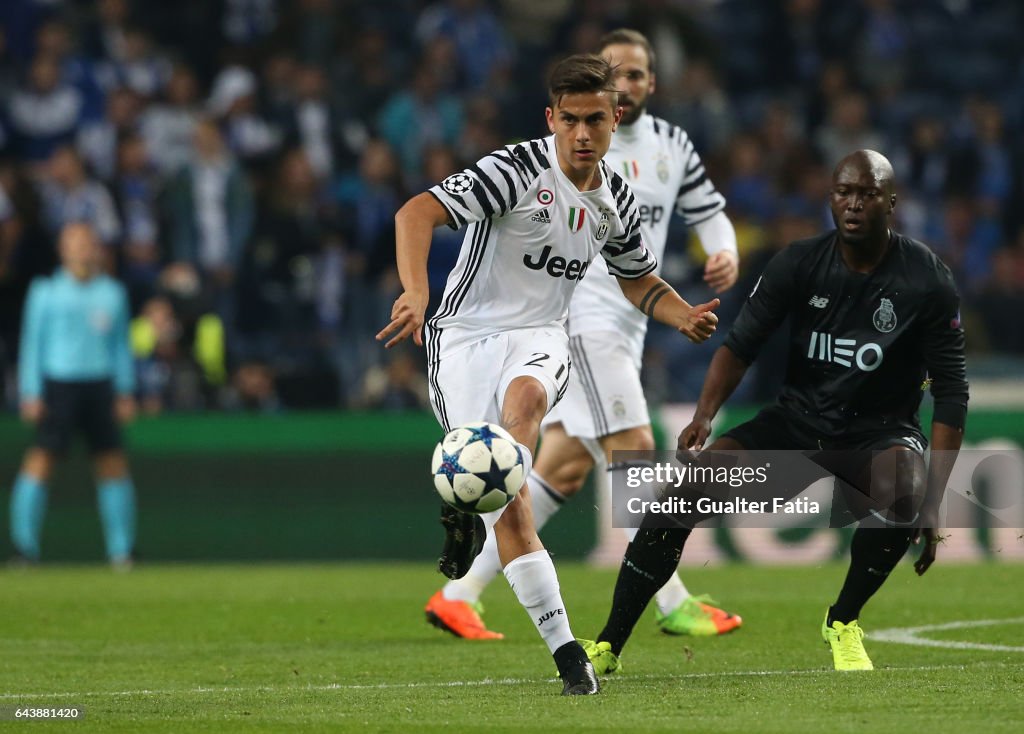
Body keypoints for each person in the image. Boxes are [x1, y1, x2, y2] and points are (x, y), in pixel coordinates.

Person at [376, 54, 720, 695]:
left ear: (616, 119)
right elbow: (414, 213)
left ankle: (570, 665)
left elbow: (638, 276)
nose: (583, 133)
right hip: (464, 337)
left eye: (595, 119)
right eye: (570, 120)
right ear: (551, 119)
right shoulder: (514, 170)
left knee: (526, 410)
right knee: (513, 507)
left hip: (540, 336)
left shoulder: (614, 197)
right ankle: (552, 627)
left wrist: (682, 316)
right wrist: (416, 292)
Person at [579, 149, 968, 674]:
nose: (853, 205)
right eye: (843, 192)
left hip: (878, 434)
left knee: (905, 487)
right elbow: (740, 345)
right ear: (831, 198)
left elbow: (951, 392)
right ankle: (608, 646)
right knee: (681, 495)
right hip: (797, 425)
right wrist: (704, 413)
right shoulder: (799, 263)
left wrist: (934, 501)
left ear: (891, 202)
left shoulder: (927, 280)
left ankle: (843, 621)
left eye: (867, 194)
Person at [9, 222, 138, 568]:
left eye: (87, 242)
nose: (82, 249)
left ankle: (121, 551)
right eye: (74, 242)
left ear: (96, 248)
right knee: (40, 462)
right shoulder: (45, 292)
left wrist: (125, 391)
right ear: (62, 250)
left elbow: (120, 347)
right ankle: (25, 548)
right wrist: (31, 392)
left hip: (99, 385)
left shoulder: (113, 293)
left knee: (112, 464)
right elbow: (32, 345)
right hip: (58, 385)